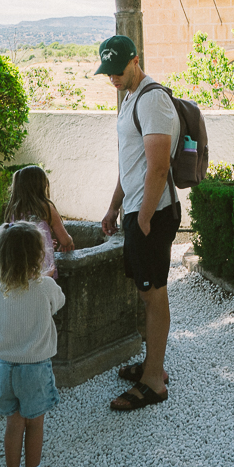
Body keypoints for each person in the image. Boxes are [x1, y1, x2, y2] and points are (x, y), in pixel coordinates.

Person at [96, 35, 180, 412]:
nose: (113, 77)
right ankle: (153, 365)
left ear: (136, 60)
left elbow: (159, 167)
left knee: (154, 293)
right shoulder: (130, 100)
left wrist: (143, 217)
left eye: (118, 70)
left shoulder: (153, 100)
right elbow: (130, 164)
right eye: (108, 72)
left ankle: (154, 382)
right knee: (147, 293)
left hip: (154, 214)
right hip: (136, 211)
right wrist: (115, 207)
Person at [0, 221, 65, 467]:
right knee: (35, 423)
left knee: (14, 423)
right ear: (37, 255)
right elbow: (60, 302)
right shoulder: (44, 286)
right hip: (35, 368)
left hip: (4, 368)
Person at [6, 165, 75, 276]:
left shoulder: (15, 209)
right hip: (42, 268)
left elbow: (23, 240)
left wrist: (45, 241)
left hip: (19, 267)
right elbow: (64, 240)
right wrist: (70, 241)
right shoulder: (46, 208)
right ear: (42, 185)